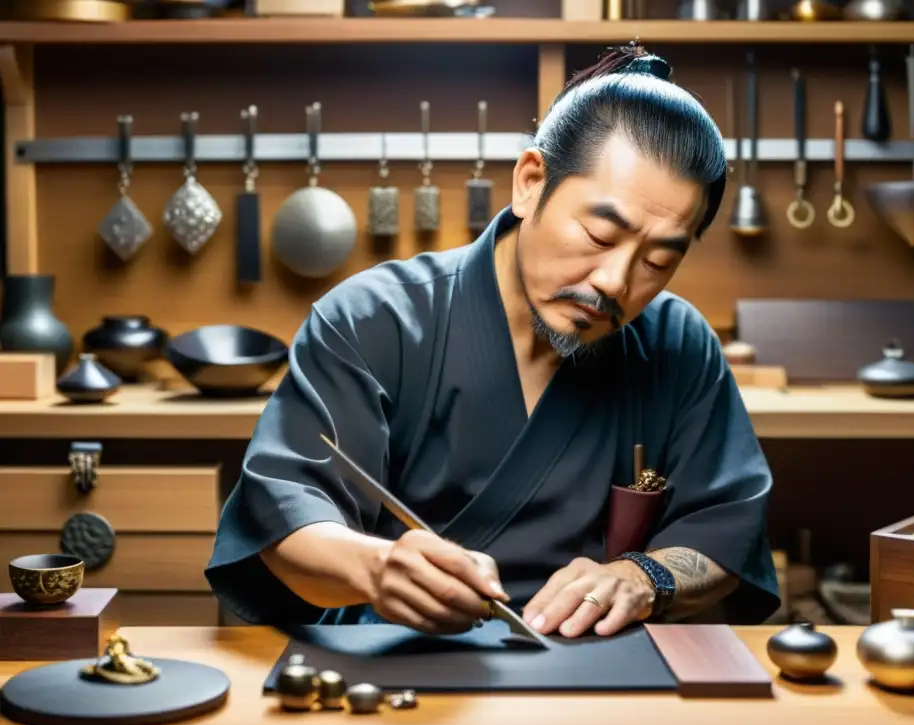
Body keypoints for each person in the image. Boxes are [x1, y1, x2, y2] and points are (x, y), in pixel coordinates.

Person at [206, 42, 779, 640]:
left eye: (659, 260)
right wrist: (377, 568)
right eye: (600, 234)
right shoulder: (375, 318)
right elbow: (284, 518)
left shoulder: (677, 343)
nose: (615, 282)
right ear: (531, 183)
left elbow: (727, 532)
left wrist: (646, 577)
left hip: (598, 666)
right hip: (393, 658)